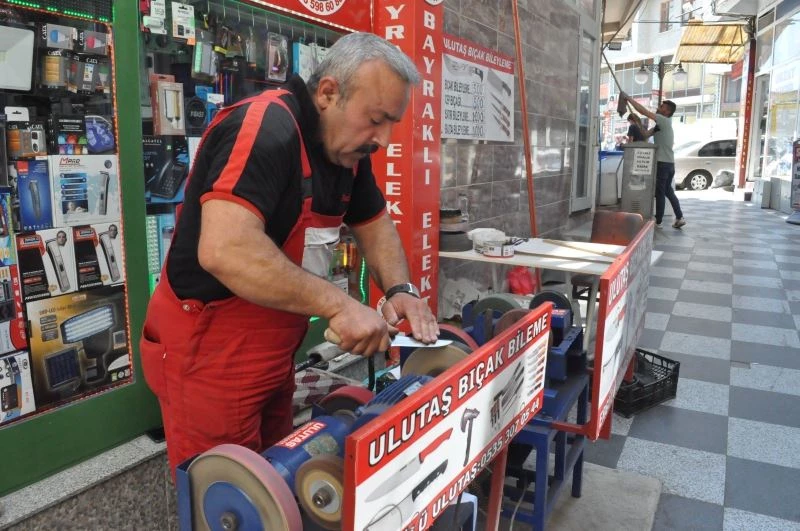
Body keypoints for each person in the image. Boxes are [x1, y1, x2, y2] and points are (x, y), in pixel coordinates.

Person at [139, 32, 440, 475]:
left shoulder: (347, 154)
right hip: (209, 355)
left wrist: (401, 290)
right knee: (229, 498)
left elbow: (374, 224)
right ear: (328, 93)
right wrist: (340, 305)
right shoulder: (265, 128)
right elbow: (226, 249)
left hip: (275, 354)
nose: (385, 139)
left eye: (392, 123)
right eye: (376, 119)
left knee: (277, 477)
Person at [622, 95, 686, 229]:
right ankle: (679, 217)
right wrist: (637, 124)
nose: (659, 108)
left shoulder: (663, 120)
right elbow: (645, 135)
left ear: (667, 112)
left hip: (662, 163)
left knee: (660, 192)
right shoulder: (661, 125)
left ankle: (658, 222)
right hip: (670, 164)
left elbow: (643, 111)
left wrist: (629, 99)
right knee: (668, 191)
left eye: (662, 107)